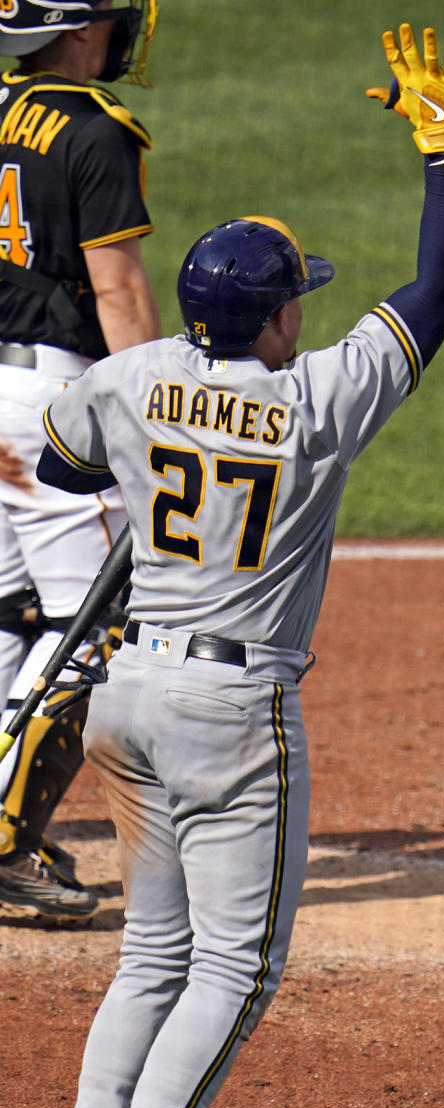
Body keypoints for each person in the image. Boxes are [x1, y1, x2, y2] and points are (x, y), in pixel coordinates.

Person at [34, 21, 444, 1108]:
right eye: (301, 299)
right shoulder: (318, 398)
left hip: (129, 699)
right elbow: (441, 286)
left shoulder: (132, 377)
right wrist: (439, 141)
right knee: (237, 964)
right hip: (234, 714)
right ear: (278, 317)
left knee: (150, 956)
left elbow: (58, 472)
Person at [0, 0, 160, 920]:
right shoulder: (95, 133)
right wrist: (148, 419)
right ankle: (3, 835)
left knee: (10, 612)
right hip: (52, 400)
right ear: (78, 31)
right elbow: (119, 286)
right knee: (88, 623)